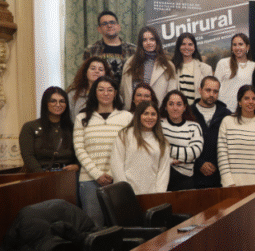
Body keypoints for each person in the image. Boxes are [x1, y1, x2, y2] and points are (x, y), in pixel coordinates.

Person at [73, 76, 131, 226]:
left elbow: (129, 149)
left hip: (118, 178)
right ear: (95, 93)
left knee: (120, 223)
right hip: (89, 179)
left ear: (115, 93)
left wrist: (112, 174)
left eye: (110, 90)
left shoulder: (126, 117)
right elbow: (79, 149)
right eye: (101, 90)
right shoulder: (82, 118)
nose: (106, 93)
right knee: (94, 224)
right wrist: (97, 174)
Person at [110, 101, 171, 195]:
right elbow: (117, 164)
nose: (149, 117)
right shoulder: (124, 135)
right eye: (146, 113)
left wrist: (158, 195)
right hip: (126, 194)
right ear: (138, 115)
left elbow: (163, 172)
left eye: (153, 114)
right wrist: (126, 191)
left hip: (151, 195)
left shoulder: (162, 142)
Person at [217, 85, 255, 187]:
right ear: (239, 102)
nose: (250, 102)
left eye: (254, 99)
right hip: (232, 186)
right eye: (246, 98)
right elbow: (222, 155)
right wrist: (229, 182)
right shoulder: (227, 122)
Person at [19, 86, 79, 173]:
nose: (58, 104)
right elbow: (28, 156)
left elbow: (80, 152)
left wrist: (77, 166)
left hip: (67, 176)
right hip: (40, 176)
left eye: (62, 101)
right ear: (45, 103)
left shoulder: (73, 128)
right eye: (53, 101)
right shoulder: (30, 127)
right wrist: (41, 174)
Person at [120, 26, 178, 110]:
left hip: (157, 113)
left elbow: (171, 94)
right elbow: (123, 91)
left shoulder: (168, 65)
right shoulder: (130, 63)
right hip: (132, 112)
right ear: (140, 43)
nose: (148, 43)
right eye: (144, 40)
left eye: (152, 39)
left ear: (157, 41)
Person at [159, 90, 204, 192]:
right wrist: (173, 160)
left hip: (185, 179)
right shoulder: (159, 124)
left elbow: (195, 152)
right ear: (165, 106)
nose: (175, 108)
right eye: (171, 104)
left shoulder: (194, 126)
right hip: (161, 176)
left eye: (179, 104)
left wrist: (167, 151)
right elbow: (155, 149)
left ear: (184, 107)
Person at [190, 76, 230, 189]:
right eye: (208, 90)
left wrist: (217, 164)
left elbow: (230, 144)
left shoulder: (226, 115)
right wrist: (199, 164)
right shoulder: (188, 113)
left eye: (215, 91)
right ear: (200, 90)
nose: (211, 94)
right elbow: (183, 142)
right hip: (193, 176)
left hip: (219, 175)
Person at [83, 10, 136, 81]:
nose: (109, 25)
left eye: (112, 22)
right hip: (100, 91)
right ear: (99, 29)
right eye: (104, 23)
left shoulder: (133, 49)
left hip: (126, 91)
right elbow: (85, 76)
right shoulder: (91, 50)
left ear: (119, 27)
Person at [215, 33, 255, 115]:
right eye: (234, 45)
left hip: (244, 111)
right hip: (223, 110)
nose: (237, 48)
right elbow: (215, 87)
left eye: (241, 44)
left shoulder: (254, 66)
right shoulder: (223, 63)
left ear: (247, 47)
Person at [171, 32, 212, 105]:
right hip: (179, 111)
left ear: (194, 47)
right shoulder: (172, 67)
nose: (187, 47)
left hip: (197, 111)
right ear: (179, 47)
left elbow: (209, 93)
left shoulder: (205, 69)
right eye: (183, 44)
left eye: (190, 44)